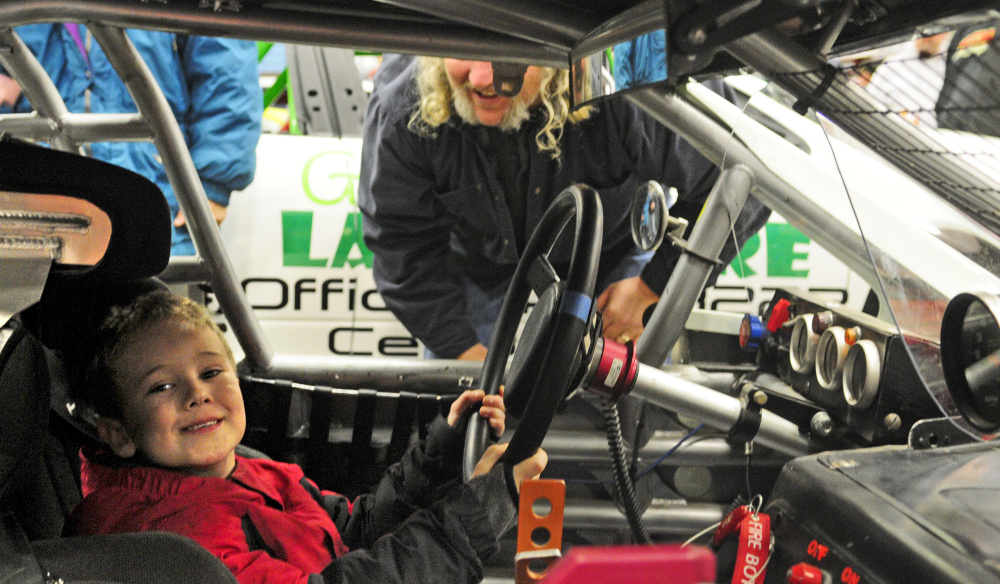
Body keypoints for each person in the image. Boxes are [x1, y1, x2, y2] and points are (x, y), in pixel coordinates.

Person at [65, 290, 547, 584]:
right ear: (119, 433)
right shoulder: (166, 539)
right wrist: (484, 507)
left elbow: (353, 533)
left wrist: (442, 453)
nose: (197, 394)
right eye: (161, 386)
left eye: (212, 371)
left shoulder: (249, 468)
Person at [358, 55, 769, 359]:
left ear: (558, 58)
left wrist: (652, 287)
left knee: (621, 405)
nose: (482, 78)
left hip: (611, 260)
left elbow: (745, 181)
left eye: (507, 54)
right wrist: (467, 356)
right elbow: (402, 249)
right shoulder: (407, 106)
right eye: (466, 49)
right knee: (463, 427)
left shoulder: (626, 74)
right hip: (479, 273)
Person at [0, 24, 262, 255]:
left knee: (158, 302)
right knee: (41, 302)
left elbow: (226, 71)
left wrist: (211, 185)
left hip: (157, 189)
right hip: (38, 200)